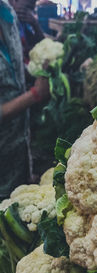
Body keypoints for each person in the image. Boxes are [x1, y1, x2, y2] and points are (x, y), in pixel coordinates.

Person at [0, 0, 50, 200]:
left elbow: (15, 68)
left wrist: (39, 69)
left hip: (19, 144)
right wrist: (35, 94)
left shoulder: (7, 12)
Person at [9, 0, 44, 64]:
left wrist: (35, 24)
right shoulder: (7, 23)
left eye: (30, 9)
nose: (27, 12)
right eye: (27, 6)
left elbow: (42, 44)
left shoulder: (24, 23)